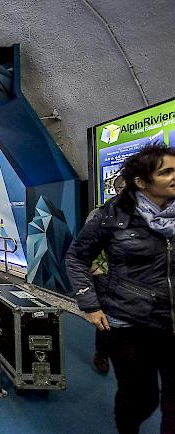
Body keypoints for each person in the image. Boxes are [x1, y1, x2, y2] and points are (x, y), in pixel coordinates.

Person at [66, 145, 175, 434]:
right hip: (129, 322)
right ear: (140, 181)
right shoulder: (110, 216)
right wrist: (89, 303)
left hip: (171, 323)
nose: (174, 177)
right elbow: (77, 257)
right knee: (142, 397)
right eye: (166, 172)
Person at [88, 175, 126, 375]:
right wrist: (96, 268)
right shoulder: (100, 214)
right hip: (107, 274)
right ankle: (102, 353)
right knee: (108, 318)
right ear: (119, 190)